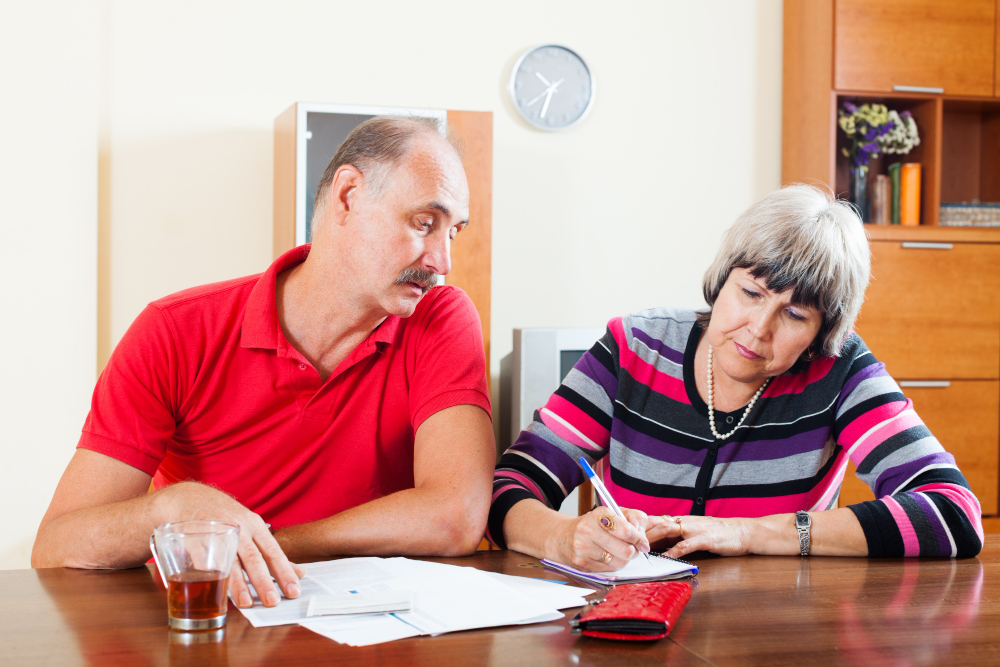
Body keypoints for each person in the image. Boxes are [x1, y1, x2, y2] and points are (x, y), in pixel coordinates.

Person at [32, 116, 496, 607]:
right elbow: (56, 546)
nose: (442, 261)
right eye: (425, 223)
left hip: (378, 629)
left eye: (454, 232)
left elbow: (455, 516)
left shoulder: (440, 318)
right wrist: (173, 508)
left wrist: (256, 545)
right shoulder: (174, 330)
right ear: (348, 195)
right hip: (214, 623)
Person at [489, 184, 984, 570]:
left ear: (820, 334)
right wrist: (564, 536)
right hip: (628, 624)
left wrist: (753, 534)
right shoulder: (633, 350)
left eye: (794, 315)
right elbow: (509, 488)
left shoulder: (842, 371)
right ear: (722, 278)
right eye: (750, 292)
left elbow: (952, 513)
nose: (759, 329)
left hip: (774, 634)